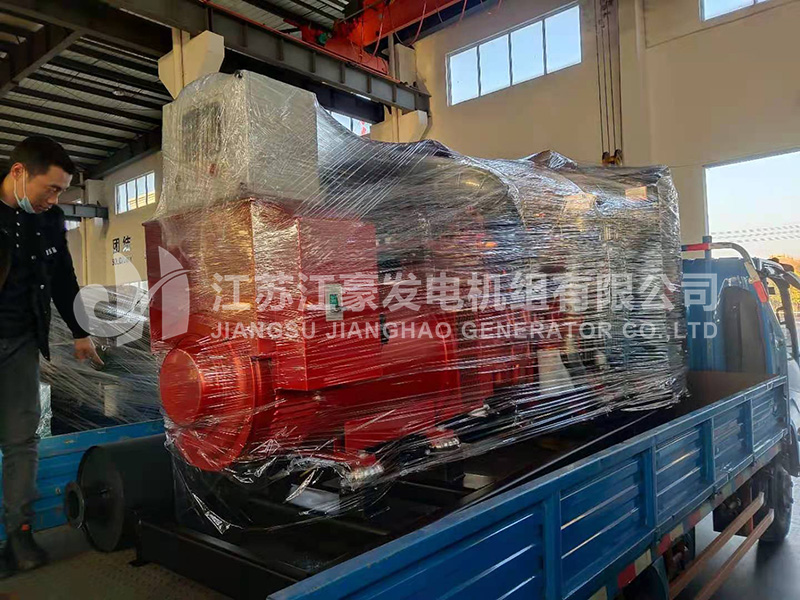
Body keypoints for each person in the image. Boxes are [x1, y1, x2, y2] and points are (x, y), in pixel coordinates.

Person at [0, 136, 101, 577]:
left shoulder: (50, 220)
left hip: (21, 341)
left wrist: (80, 332)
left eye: (61, 191)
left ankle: (19, 532)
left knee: (21, 439)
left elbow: (63, 279)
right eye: (52, 188)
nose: (55, 198)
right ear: (19, 173)